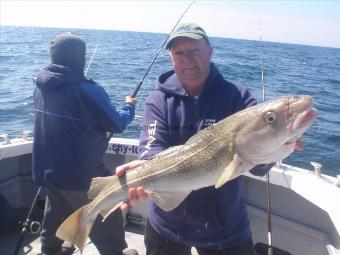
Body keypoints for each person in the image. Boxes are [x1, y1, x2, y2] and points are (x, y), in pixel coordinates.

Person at [117, 23, 303, 255]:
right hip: (165, 224)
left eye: (194, 51)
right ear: (171, 58)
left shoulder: (238, 97)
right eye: (179, 53)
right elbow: (152, 147)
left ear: (210, 51)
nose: (187, 59)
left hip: (224, 228)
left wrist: (277, 147)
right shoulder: (158, 100)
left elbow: (257, 166)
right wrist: (145, 169)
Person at [32, 33, 138, 255]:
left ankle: (50, 250)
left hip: (46, 171)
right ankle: (115, 251)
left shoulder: (41, 87)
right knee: (107, 218)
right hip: (81, 176)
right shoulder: (89, 90)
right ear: (80, 58)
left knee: (55, 215)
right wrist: (129, 106)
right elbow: (117, 123)